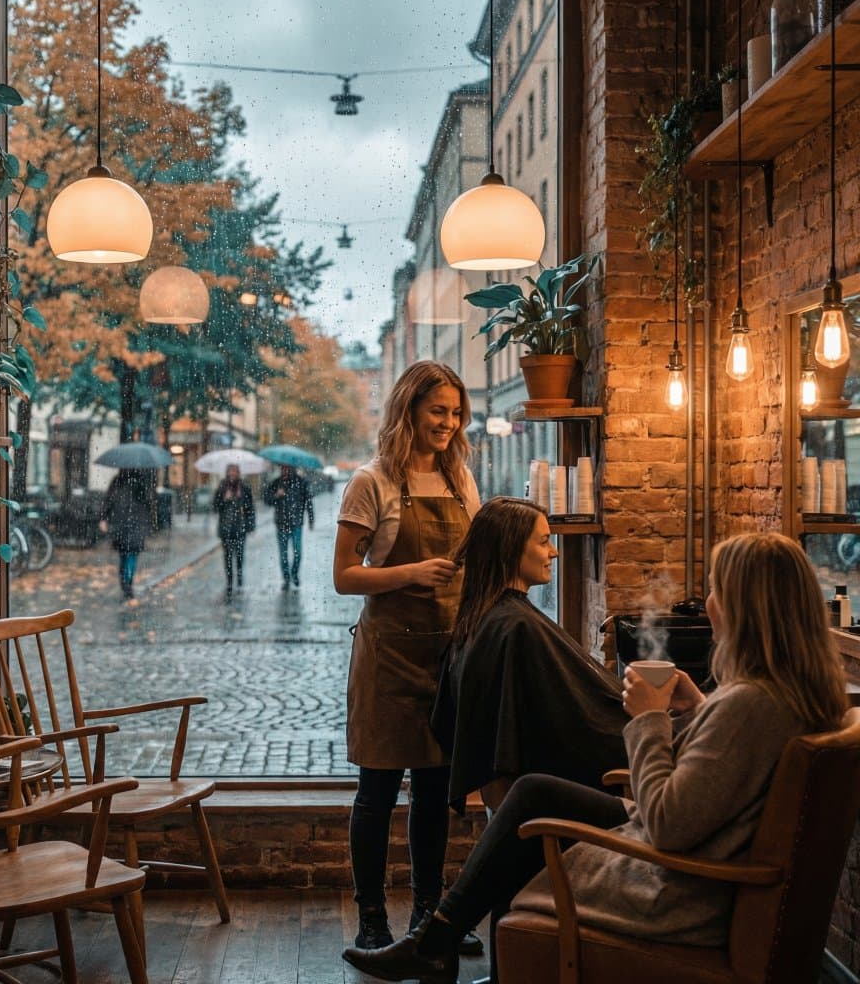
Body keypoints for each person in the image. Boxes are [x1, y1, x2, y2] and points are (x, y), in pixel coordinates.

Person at [343, 532, 848, 984]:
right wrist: (699, 707)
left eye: (718, 591)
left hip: (680, 885)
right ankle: (439, 941)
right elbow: (725, 765)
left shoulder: (750, 703)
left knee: (528, 817)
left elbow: (669, 823)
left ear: (748, 608)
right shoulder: (796, 691)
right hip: (699, 855)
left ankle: (436, 945)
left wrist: (647, 720)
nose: (710, 603)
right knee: (535, 791)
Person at [333, 360, 481, 955]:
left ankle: (429, 915)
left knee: (435, 793)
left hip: (447, 657)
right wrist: (411, 574)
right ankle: (371, 916)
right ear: (409, 411)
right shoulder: (372, 483)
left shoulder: (460, 480)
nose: (448, 422)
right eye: (437, 411)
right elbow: (345, 576)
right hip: (390, 660)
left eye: (454, 412)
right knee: (376, 793)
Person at [433, 497, 627, 818]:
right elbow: (578, 724)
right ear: (510, 549)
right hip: (558, 793)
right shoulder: (514, 625)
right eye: (543, 541)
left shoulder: (484, 618)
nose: (554, 552)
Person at [100, 468, 156, 600]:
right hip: (135, 523)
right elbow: (149, 503)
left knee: (124, 555)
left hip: (121, 522)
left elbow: (108, 500)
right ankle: (127, 583)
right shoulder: (142, 481)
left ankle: (125, 583)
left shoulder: (117, 481)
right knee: (131, 555)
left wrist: (104, 517)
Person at [263, 464, 315, 590]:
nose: (285, 471)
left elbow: (308, 501)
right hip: (281, 523)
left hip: (297, 523)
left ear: (292, 468)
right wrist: (276, 495)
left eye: (287, 468)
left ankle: (294, 574)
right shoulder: (276, 483)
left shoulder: (301, 482)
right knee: (283, 554)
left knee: (298, 553)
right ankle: (286, 578)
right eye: (283, 468)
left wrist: (311, 518)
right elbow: (266, 500)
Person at [213, 463, 255, 598]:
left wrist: (251, 526)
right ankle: (230, 581)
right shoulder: (221, 487)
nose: (233, 474)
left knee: (240, 555)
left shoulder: (244, 488)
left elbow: (250, 508)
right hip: (226, 528)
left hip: (240, 527)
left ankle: (240, 578)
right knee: (228, 556)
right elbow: (215, 507)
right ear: (227, 473)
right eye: (230, 471)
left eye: (235, 471)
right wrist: (224, 499)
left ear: (238, 473)